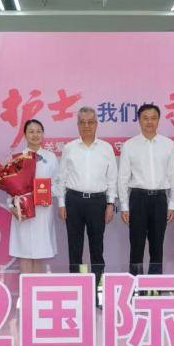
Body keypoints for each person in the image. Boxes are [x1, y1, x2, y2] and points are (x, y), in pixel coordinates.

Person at [55, 106, 117, 295]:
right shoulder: (70, 148)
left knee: (97, 248)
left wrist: (110, 204)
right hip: (73, 201)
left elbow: (112, 178)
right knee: (75, 248)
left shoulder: (106, 148)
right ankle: (77, 289)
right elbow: (61, 178)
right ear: (78, 125)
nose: (87, 126)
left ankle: (98, 290)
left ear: (96, 124)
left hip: (98, 202)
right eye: (82, 122)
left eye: (90, 122)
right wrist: (61, 203)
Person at [118, 104, 174, 276]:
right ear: (139, 120)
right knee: (136, 246)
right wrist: (124, 206)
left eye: (153, 118)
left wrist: (172, 204)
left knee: (157, 247)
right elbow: (123, 178)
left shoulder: (168, 145)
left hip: (160, 199)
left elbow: (173, 175)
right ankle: (134, 286)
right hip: (137, 199)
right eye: (145, 118)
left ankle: (154, 286)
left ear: (158, 120)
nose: (149, 122)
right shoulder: (129, 145)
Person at [8, 119, 59, 278]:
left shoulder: (51, 157)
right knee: (24, 251)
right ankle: (25, 290)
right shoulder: (17, 158)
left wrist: (43, 193)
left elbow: (58, 184)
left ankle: (36, 289)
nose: (35, 135)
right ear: (25, 135)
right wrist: (11, 206)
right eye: (31, 131)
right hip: (22, 210)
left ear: (43, 134)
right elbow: (10, 185)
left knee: (39, 251)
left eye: (38, 131)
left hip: (42, 210)